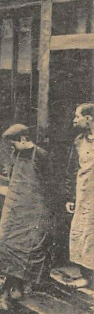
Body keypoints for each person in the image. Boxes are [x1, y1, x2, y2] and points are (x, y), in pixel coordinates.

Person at [0, 124, 53, 309]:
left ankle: (18, 285)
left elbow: (49, 185)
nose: (12, 147)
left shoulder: (41, 155)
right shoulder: (16, 154)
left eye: (14, 143)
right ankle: (6, 290)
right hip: (14, 207)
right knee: (7, 246)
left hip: (32, 209)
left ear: (24, 139)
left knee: (27, 249)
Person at [66, 103, 94, 289]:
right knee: (84, 233)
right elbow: (71, 169)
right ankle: (87, 276)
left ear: (89, 118)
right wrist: (70, 197)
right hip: (85, 196)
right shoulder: (79, 141)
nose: (75, 120)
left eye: (78, 116)